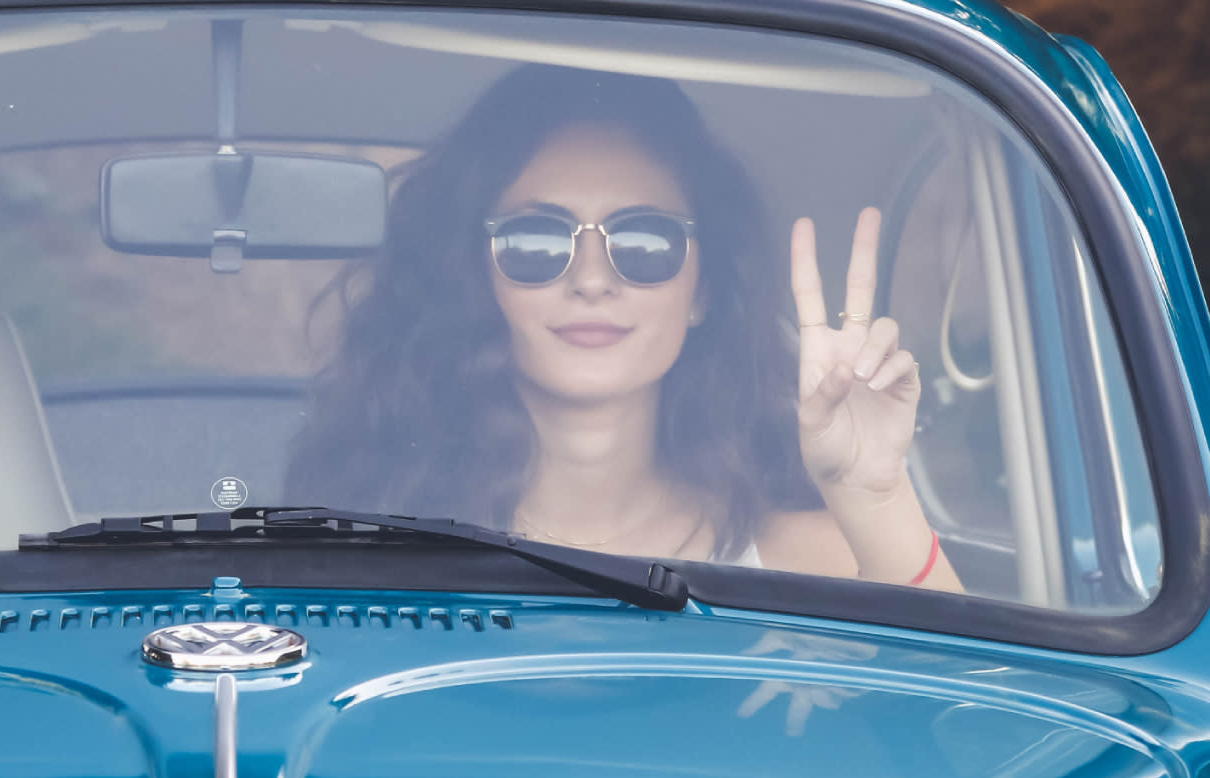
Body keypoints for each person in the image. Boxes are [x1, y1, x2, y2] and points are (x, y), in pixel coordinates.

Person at [285, 64, 962, 590]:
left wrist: (875, 492)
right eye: (536, 242)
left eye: (644, 242)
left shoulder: (808, 557)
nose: (592, 277)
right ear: (477, 281)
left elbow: (973, 741)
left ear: (703, 292)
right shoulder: (370, 553)